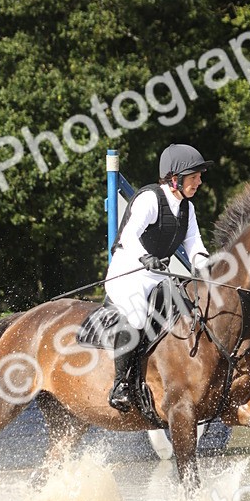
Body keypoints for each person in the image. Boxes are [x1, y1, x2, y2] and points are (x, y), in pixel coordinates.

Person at [105, 142, 213, 411]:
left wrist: (208, 268)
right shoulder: (150, 199)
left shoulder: (187, 208)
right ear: (175, 178)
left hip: (156, 275)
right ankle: (120, 386)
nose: (199, 181)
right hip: (127, 270)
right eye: (194, 176)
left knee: (188, 311)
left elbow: (195, 245)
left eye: (199, 176)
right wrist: (144, 257)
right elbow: (129, 236)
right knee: (139, 315)